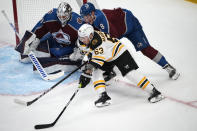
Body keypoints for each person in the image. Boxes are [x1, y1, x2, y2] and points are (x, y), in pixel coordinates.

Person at [79, 2, 180, 80]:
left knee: (145, 49)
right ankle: (110, 71)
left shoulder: (101, 20)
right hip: (118, 29)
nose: (85, 19)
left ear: (93, 13)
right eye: (84, 16)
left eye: (87, 16)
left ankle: (168, 66)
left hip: (130, 25)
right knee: (107, 50)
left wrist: (93, 55)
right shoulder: (91, 20)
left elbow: (110, 41)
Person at [77, 24, 165, 107]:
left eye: (83, 38)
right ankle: (103, 96)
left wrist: (86, 74)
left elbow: (96, 60)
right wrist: (87, 63)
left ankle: (154, 92)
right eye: (80, 37)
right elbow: (90, 52)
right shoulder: (86, 41)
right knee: (96, 72)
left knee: (130, 73)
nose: (81, 40)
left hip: (119, 53)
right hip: (107, 55)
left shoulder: (98, 42)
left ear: (91, 36)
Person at [15, 2, 83, 74]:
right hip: (55, 40)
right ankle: (47, 53)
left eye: (64, 17)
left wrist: (79, 50)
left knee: (60, 53)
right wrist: (30, 42)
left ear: (69, 14)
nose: (61, 19)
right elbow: (38, 28)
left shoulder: (77, 23)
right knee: (24, 58)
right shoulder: (50, 16)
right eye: (59, 16)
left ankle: (56, 57)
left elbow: (85, 39)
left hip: (70, 46)